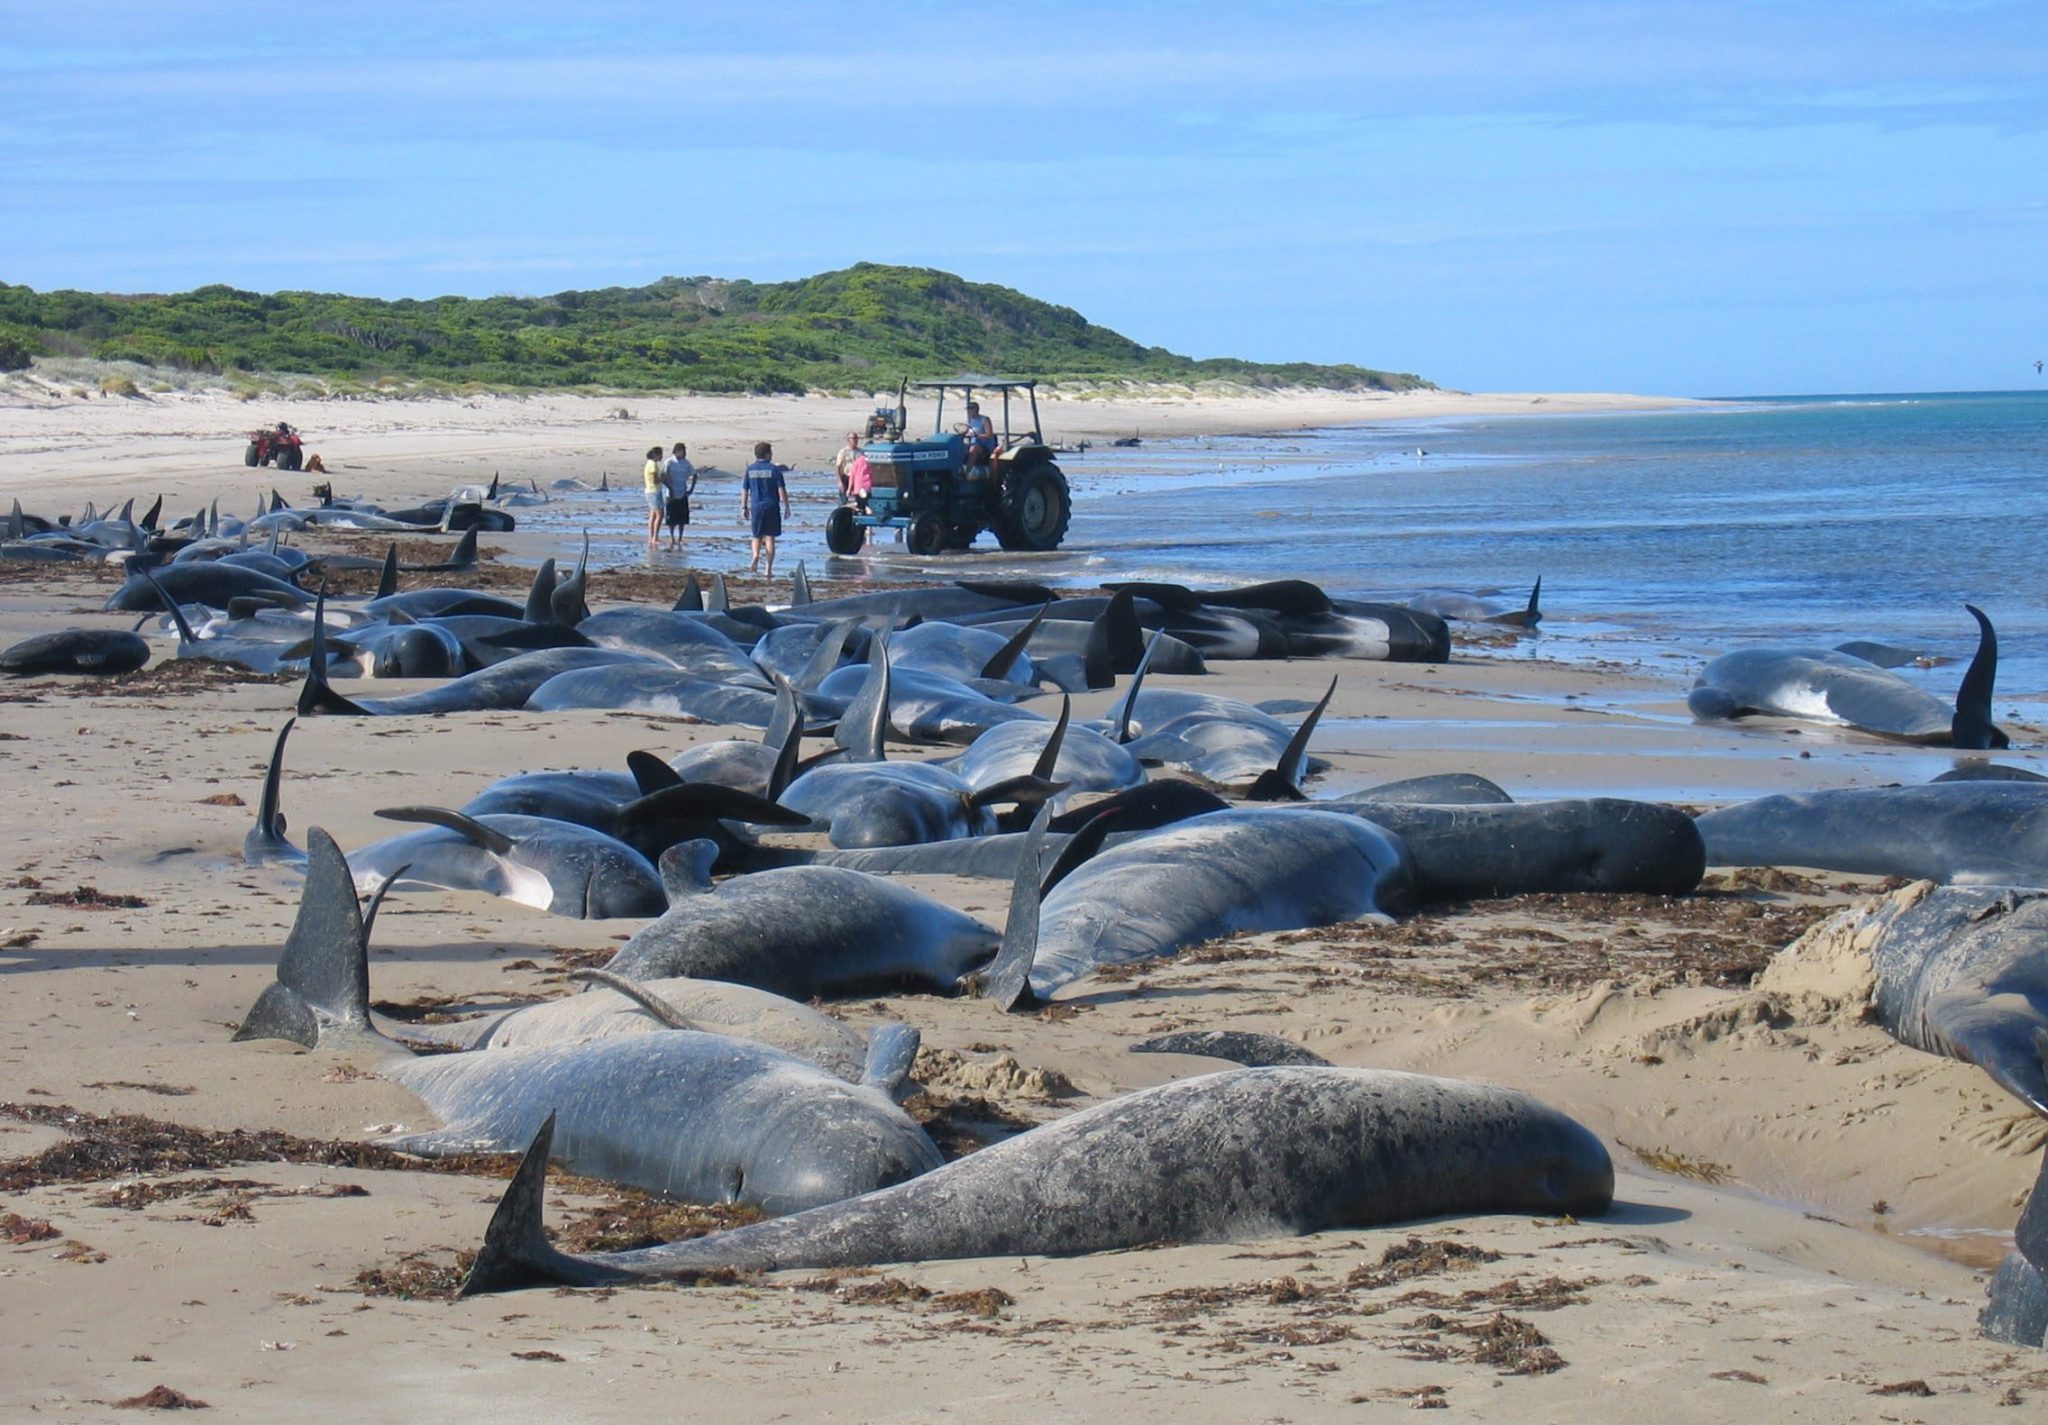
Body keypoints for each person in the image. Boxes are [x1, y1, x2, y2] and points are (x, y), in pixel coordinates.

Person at [740, 440, 792, 578]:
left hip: (756, 506)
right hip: (771, 505)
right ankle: (768, 569)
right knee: (770, 538)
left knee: (756, 535)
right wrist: (786, 506)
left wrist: (744, 507)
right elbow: (782, 490)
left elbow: (745, 490)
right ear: (768, 454)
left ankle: (756, 555)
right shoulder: (774, 470)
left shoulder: (750, 470)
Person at [660, 441, 696, 552]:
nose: (684, 453)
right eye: (682, 451)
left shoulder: (686, 463)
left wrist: (691, 489)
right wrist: (669, 487)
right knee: (671, 519)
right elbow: (662, 476)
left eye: (685, 451)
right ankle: (672, 537)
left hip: (682, 493)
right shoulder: (669, 462)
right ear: (677, 451)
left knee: (682, 519)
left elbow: (694, 475)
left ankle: (680, 537)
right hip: (671, 495)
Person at [959, 400, 996, 469]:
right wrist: (961, 434)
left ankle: (967, 472)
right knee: (959, 448)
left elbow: (989, 435)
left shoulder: (984, 420)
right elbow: (967, 431)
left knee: (973, 449)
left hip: (984, 446)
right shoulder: (971, 420)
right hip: (974, 443)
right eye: (968, 409)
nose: (969, 411)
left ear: (976, 409)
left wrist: (977, 436)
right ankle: (958, 470)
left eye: (971, 409)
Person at [640, 444, 665, 546]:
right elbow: (655, 480)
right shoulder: (653, 465)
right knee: (660, 515)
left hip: (649, 491)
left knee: (653, 515)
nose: (661, 457)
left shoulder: (648, 463)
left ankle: (651, 538)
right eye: (660, 455)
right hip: (654, 491)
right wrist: (664, 478)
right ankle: (655, 537)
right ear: (656, 455)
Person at [831, 430, 863, 503]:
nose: (855, 440)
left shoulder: (861, 452)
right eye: (853, 438)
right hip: (846, 478)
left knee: (859, 499)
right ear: (848, 440)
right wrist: (840, 482)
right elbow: (837, 467)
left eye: (856, 438)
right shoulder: (843, 452)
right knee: (844, 500)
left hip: (857, 479)